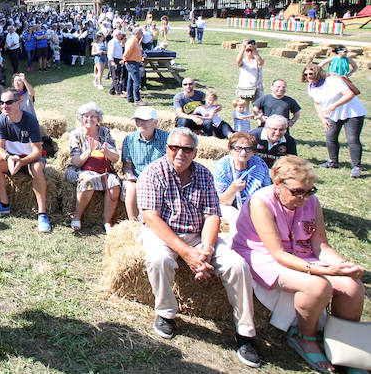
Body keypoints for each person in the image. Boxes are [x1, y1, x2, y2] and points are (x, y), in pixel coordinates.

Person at [137, 128, 261, 368]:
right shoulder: (153, 173)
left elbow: (212, 215)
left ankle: (246, 332)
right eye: (174, 147)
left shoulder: (204, 174)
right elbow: (152, 218)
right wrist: (186, 253)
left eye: (186, 149)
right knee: (158, 260)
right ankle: (166, 313)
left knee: (238, 265)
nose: (179, 153)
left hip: (198, 234)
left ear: (195, 152)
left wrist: (206, 249)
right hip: (163, 233)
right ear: (167, 149)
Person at [232, 156, 366, 374]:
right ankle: (304, 337)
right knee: (317, 286)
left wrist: (343, 266)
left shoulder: (312, 202)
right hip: (264, 255)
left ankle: (345, 346)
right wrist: (322, 270)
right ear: (278, 184)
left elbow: (321, 245)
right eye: (297, 192)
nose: (304, 198)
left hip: (301, 254)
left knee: (353, 286)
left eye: (309, 191)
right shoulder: (260, 201)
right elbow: (278, 253)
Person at [0, 88, 52, 233]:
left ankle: (42, 213)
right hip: (13, 158)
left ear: (18, 103)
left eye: (8, 102)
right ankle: (4, 204)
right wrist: (8, 158)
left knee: (37, 169)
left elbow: (37, 152)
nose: (4, 106)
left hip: (30, 158)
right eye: (2, 103)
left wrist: (21, 162)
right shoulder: (1, 120)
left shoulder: (30, 120)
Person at [64, 102, 121, 233]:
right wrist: (89, 151)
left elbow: (115, 158)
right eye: (86, 116)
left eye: (93, 116)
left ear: (98, 118)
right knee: (88, 179)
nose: (89, 119)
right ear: (81, 118)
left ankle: (107, 221)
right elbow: (76, 161)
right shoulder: (76, 134)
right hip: (79, 170)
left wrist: (106, 151)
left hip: (102, 169)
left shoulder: (105, 132)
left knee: (114, 183)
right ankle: (77, 216)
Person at [303, 63, 366, 177]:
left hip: (352, 112)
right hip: (332, 115)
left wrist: (334, 105)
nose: (308, 76)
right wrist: (322, 118)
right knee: (330, 137)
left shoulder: (332, 81)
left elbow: (349, 94)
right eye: (306, 74)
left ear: (317, 73)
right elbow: (316, 103)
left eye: (311, 74)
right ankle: (333, 162)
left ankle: (356, 167)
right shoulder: (312, 86)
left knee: (352, 139)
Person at [212, 132, 271, 226]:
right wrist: (233, 189)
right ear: (231, 149)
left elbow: (266, 192)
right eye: (238, 148)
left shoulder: (259, 164)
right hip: (232, 208)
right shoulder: (222, 167)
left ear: (253, 151)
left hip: (255, 206)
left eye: (248, 149)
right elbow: (223, 202)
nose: (243, 152)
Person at [121, 106, 169, 222]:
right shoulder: (129, 139)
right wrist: (130, 176)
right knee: (132, 188)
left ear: (155, 122)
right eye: (137, 120)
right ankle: (134, 222)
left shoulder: (168, 138)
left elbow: (172, 165)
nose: (140, 123)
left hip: (160, 178)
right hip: (137, 178)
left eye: (144, 120)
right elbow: (127, 166)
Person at [236, 39, 264, 104]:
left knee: (258, 108)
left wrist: (254, 50)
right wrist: (243, 47)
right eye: (248, 51)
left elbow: (260, 62)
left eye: (251, 51)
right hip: (244, 87)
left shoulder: (257, 59)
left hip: (257, 88)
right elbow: (238, 61)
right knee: (244, 108)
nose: (249, 52)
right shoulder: (243, 61)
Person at [123, 27, 145, 105]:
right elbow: (127, 51)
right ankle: (137, 99)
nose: (142, 34)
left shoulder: (136, 41)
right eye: (140, 32)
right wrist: (124, 59)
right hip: (131, 63)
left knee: (131, 81)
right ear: (136, 34)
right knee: (137, 81)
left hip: (134, 63)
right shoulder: (132, 41)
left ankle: (130, 98)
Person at [108, 29, 126, 96]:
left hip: (118, 59)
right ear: (116, 35)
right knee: (115, 76)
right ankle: (119, 91)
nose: (121, 35)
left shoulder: (119, 42)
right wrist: (112, 61)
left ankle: (112, 90)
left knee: (117, 75)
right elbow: (110, 52)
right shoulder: (112, 42)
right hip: (114, 60)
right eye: (120, 34)